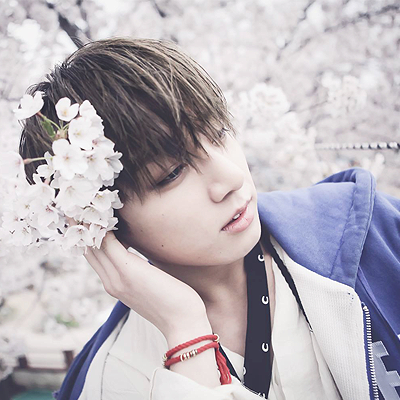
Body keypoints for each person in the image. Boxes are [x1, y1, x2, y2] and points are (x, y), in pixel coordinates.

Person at [19, 38, 400, 400]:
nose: (231, 178)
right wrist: (185, 331)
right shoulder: (112, 377)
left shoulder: (369, 233)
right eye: (172, 173)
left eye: (219, 134)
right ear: (97, 221)